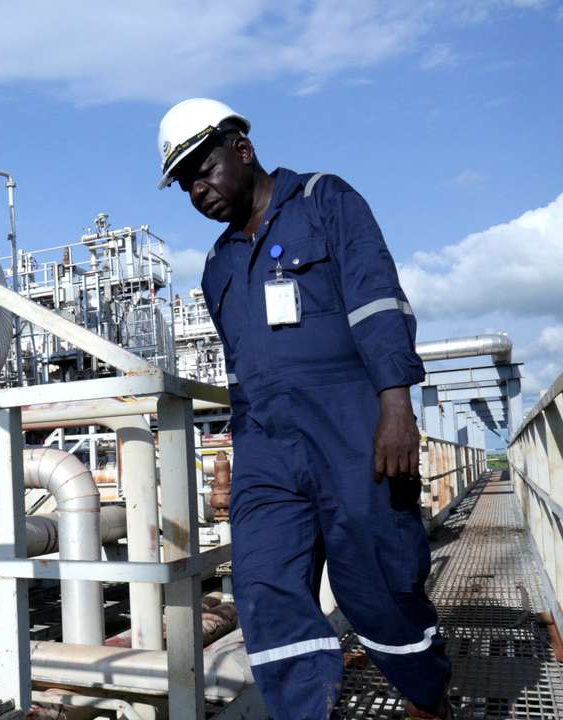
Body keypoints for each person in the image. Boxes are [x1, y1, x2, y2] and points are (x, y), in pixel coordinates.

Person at [155, 98, 452, 719]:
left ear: (242, 148)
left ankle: (426, 696)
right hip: (265, 446)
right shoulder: (217, 265)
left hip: (352, 429)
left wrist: (395, 404)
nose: (197, 189)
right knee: (263, 585)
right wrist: (235, 456)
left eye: (202, 169)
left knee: (378, 582)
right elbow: (241, 370)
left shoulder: (325, 200)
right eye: (184, 183)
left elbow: (377, 300)